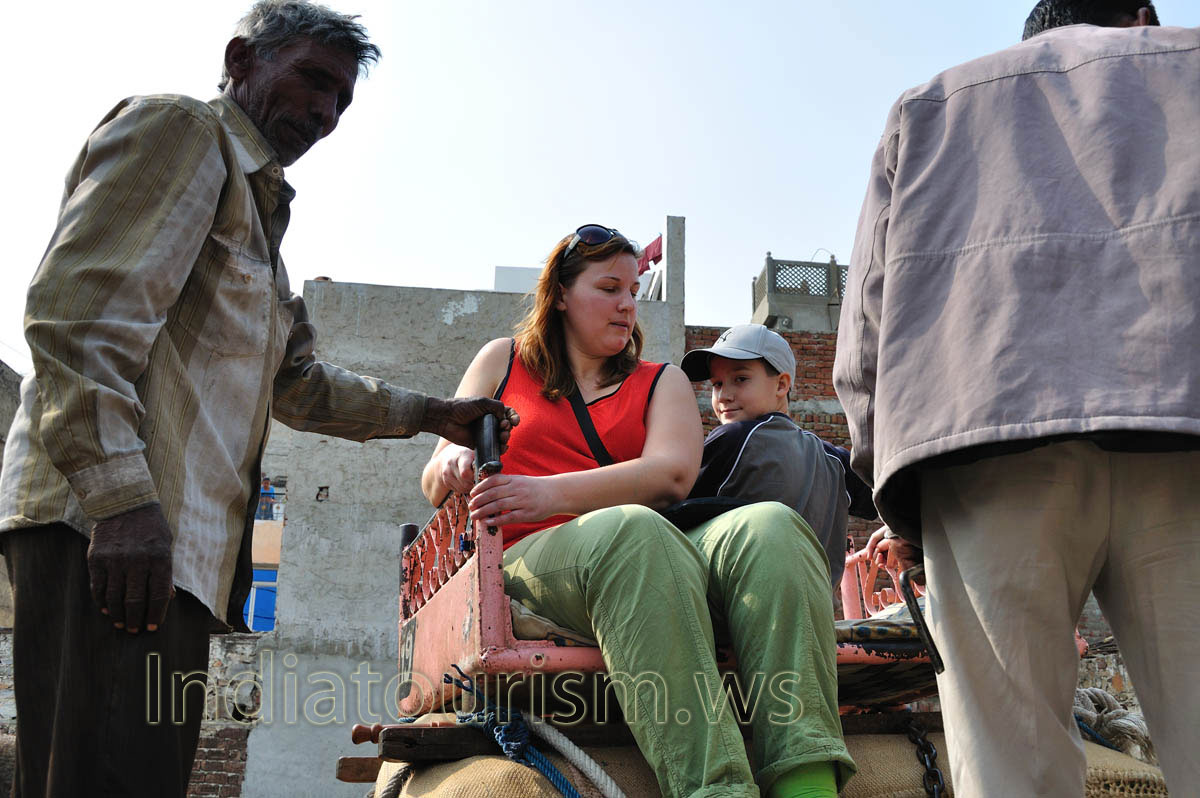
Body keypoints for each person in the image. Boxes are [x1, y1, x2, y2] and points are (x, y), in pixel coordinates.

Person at [0, 2, 513, 795]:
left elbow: (299, 387)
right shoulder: (181, 132)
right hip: (102, 530)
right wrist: (121, 503)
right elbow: (76, 321)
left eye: (341, 101)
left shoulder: (259, 224)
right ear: (241, 60)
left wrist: (431, 415)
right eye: (312, 80)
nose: (324, 112)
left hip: (169, 553)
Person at [834, 2, 1198, 795]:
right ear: (1140, 16)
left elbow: (866, 320)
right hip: (1184, 421)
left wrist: (901, 498)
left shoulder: (928, 108)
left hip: (983, 445)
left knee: (1010, 769)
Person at [423, 225, 855, 798]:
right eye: (608, 288)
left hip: (654, 554)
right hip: (536, 562)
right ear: (559, 294)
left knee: (770, 525)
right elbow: (432, 479)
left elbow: (672, 475)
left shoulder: (661, 381)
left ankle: (808, 784)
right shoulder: (502, 362)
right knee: (635, 532)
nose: (627, 304)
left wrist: (546, 491)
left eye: (633, 289)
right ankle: (716, 790)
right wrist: (453, 453)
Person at [680, 323, 851, 589]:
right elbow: (882, 490)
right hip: (819, 611)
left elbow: (672, 508)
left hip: (744, 611)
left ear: (782, 385)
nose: (723, 396)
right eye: (717, 384)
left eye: (740, 379)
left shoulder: (736, 437)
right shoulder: (833, 458)